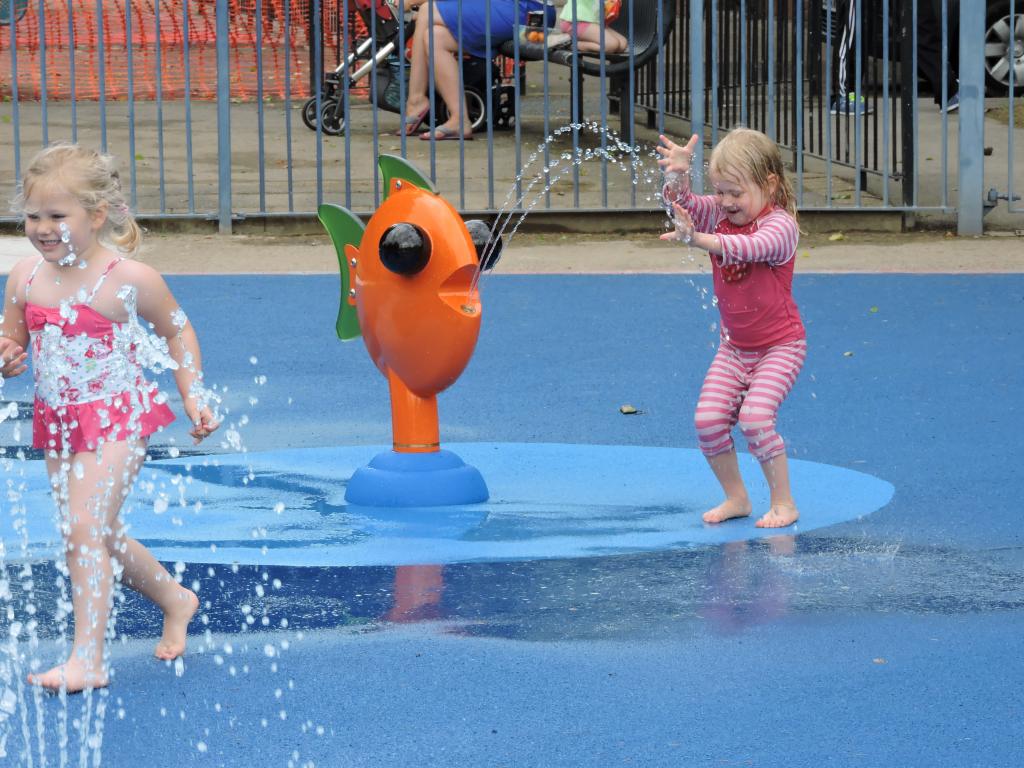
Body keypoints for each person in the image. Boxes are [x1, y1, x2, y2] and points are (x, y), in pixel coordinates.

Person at [0, 143, 219, 693]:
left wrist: (192, 394)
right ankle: (176, 598)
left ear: (96, 215)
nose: (42, 228)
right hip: (59, 421)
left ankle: (88, 660)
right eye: (33, 216)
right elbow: (13, 339)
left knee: (83, 531)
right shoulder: (24, 276)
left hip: (117, 417)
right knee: (96, 533)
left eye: (57, 215)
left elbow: (177, 331)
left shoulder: (129, 278)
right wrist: (7, 356)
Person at [656, 128, 806, 529]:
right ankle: (737, 498)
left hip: (781, 346)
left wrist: (697, 239)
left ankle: (784, 503)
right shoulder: (720, 216)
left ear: (769, 185)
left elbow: (748, 248)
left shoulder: (780, 227)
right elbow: (680, 205)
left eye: (735, 193)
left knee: (755, 419)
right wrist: (677, 176)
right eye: (719, 191)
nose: (725, 202)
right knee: (708, 422)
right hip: (735, 348)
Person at [398, 0, 552, 140]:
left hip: (528, 11)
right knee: (435, 37)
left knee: (427, 11)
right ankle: (459, 119)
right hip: (511, 8)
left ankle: (416, 100)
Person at [555, 0, 627, 54]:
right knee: (611, 45)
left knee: (622, 45)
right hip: (576, 21)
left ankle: (579, 40)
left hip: (594, 22)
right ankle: (570, 44)